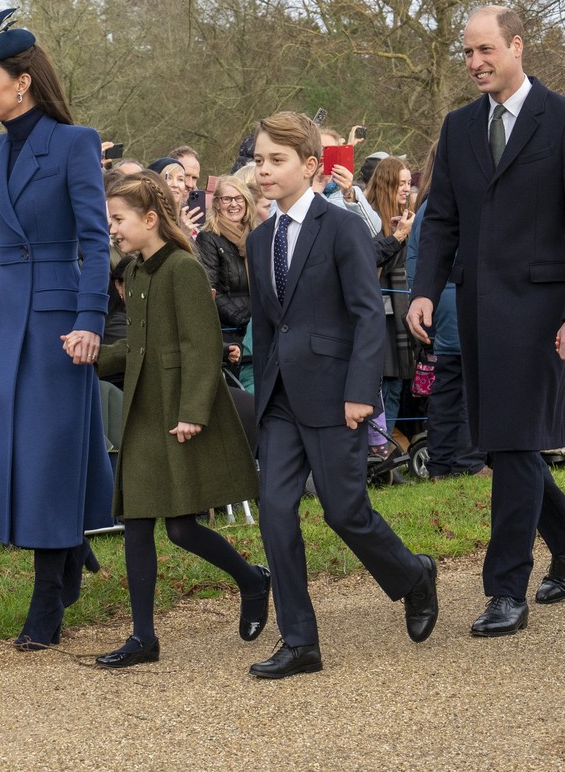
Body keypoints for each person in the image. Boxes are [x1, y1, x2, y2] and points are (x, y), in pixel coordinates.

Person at [407, 5, 565, 636]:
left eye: (485, 50)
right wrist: (424, 290)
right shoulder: (458, 126)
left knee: (513, 441)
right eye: (467, 53)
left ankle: (505, 589)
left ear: (518, 46)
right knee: (502, 440)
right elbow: (441, 218)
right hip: (478, 308)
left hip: (543, 309)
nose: (474, 63)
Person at [246, 111, 438, 679]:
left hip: (337, 395)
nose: (264, 170)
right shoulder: (260, 240)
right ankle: (299, 640)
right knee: (276, 514)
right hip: (280, 399)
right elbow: (265, 324)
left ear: (310, 166)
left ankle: (413, 574)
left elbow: (365, 313)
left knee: (345, 512)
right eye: (258, 159)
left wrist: (362, 392)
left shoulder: (342, 226)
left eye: (276, 159)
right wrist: (261, 395)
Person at [0, 8, 112, 650]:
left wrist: (89, 320)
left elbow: (96, 240)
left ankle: (48, 594)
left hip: (57, 320)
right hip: (5, 319)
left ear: (22, 81)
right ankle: (69, 548)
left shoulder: (76, 142)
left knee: (50, 455)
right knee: (9, 454)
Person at [93, 174, 269, 669]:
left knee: (183, 528)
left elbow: (202, 345)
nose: (113, 229)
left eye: (119, 220)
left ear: (150, 220)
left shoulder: (182, 269)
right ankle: (143, 638)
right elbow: (139, 346)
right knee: (137, 523)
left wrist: (193, 412)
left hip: (176, 411)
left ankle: (253, 579)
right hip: (144, 410)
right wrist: (94, 358)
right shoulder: (139, 272)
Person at [405, 143, 487, 479]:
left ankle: (441, 462)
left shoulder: (429, 206)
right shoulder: (449, 206)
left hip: (440, 304)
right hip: (457, 301)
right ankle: (469, 461)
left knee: (448, 385)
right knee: (469, 385)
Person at [363, 156, 417, 429]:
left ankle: (385, 456)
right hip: (376, 316)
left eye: (409, 182)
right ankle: (374, 452)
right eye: (401, 183)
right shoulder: (367, 216)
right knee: (377, 387)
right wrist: (396, 237)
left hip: (399, 314)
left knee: (395, 386)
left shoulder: (408, 216)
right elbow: (366, 260)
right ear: (387, 184)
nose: (406, 189)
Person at [195, 176, 255, 349]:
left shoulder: (256, 235)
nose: (234, 204)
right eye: (227, 199)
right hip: (229, 332)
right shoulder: (208, 238)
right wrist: (244, 318)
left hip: (256, 328)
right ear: (217, 204)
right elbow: (210, 288)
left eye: (238, 198)